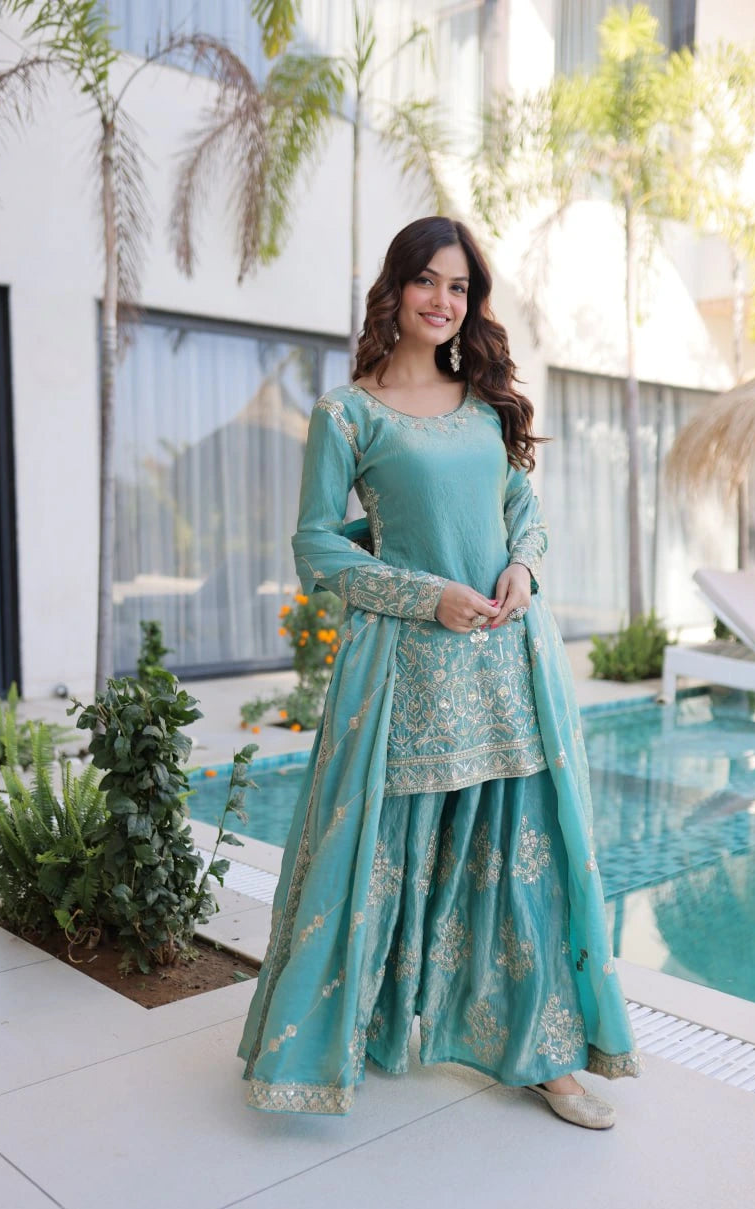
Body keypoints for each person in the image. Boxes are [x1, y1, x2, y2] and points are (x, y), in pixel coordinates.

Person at [238, 216, 641, 1126]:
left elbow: (522, 513)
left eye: (459, 288)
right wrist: (427, 596)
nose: (443, 301)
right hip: (403, 676)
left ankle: (544, 1056)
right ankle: (353, 1037)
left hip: (507, 667)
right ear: (395, 288)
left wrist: (522, 569)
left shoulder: (488, 407)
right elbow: (314, 549)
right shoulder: (347, 413)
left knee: (518, 863)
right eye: (427, 281)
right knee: (378, 863)